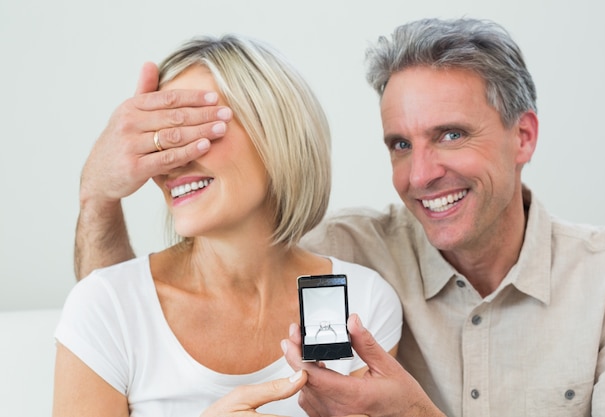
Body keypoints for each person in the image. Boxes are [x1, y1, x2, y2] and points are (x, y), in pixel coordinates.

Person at [72, 18, 605, 417]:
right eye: (399, 144)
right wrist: (100, 196)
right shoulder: (344, 258)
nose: (421, 174)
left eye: (451, 135)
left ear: (523, 136)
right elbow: (121, 313)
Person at [54, 34, 402, 417]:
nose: (170, 161)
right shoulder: (104, 305)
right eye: (161, 138)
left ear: (275, 133)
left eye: (193, 128)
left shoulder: (363, 303)